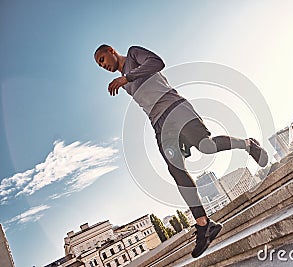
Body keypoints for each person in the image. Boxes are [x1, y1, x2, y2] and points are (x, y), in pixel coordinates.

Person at [94, 44, 269, 258]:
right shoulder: (123, 81)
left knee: (207, 146)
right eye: (99, 66)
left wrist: (127, 78)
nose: (103, 66)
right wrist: (126, 80)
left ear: (111, 51)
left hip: (175, 108)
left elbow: (157, 63)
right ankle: (204, 225)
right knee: (176, 169)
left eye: (102, 60)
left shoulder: (132, 55)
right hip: (159, 124)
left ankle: (249, 145)